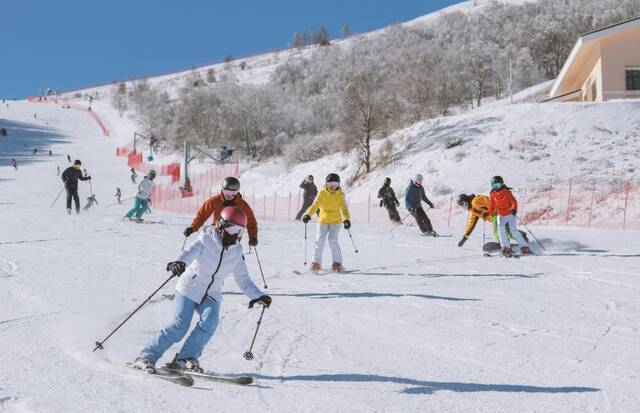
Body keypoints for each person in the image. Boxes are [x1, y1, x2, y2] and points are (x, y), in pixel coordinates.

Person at [133, 207, 271, 373]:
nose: (236, 235)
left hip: (212, 293)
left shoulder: (236, 251)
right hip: (189, 288)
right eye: (233, 229)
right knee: (179, 327)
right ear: (221, 226)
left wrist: (258, 296)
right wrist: (178, 262)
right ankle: (146, 356)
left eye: (240, 231)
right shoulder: (206, 240)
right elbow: (188, 253)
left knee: (210, 323)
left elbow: (243, 278)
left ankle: (185, 358)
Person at [183, 177, 259, 248]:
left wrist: (253, 237)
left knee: (231, 257)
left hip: (233, 236)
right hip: (216, 233)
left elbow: (251, 222)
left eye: (231, 193)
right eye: (226, 192)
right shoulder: (215, 201)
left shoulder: (242, 205)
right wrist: (192, 228)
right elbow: (202, 215)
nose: (228, 195)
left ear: (236, 193)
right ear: (222, 190)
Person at [302, 173, 351, 272]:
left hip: (336, 221)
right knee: (319, 241)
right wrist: (308, 215)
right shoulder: (322, 193)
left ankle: (337, 263)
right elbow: (315, 205)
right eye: (330, 184)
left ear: (338, 184)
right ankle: (316, 263)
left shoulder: (340, 195)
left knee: (333, 240)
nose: (333, 186)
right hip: (323, 221)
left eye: (335, 183)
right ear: (326, 184)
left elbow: (344, 208)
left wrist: (346, 219)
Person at [455, 193, 529, 248]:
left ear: (466, 200)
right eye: (462, 205)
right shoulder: (473, 209)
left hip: (498, 213)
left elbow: (491, 201)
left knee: (496, 229)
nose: (464, 206)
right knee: (508, 231)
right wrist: (465, 236)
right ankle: (522, 237)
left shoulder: (476, 201)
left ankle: (503, 244)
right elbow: (471, 223)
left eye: (463, 204)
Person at [485, 176, 531, 255]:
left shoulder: (506, 192)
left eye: (498, 185)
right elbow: (492, 207)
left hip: (510, 214)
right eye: (494, 186)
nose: (496, 187)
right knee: (500, 229)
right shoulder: (492, 194)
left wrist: (513, 208)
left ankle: (524, 247)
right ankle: (506, 247)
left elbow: (513, 201)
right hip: (501, 215)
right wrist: (487, 213)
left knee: (513, 231)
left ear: (502, 184)